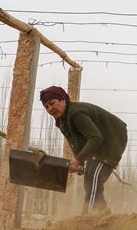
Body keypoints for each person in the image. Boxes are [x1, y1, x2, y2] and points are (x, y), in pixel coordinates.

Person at [39, 86, 128, 214]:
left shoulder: (76, 114)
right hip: (98, 142)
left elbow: (96, 137)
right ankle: (101, 212)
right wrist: (80, 162)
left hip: (111, 139)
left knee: (93, 177)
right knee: (89, 180)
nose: (50, 109)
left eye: (52, 103)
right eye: (46, 107)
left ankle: (90, 214)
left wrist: (79, 160)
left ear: (63, 100)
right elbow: (77, 142)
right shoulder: (62, 121)